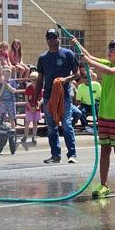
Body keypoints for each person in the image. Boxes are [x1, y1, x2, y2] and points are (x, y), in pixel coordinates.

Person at [73, 37, 115, 198]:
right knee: (105, 150)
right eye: (109, 49)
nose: (109, 52)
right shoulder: (107, 63)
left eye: (113, 50)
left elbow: (109, 72)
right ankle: (103, 185)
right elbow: (90, 58)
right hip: (104, 115)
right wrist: (77, 45)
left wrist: (89, 61)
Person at [35, 29, 79, 164]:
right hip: (48, 96)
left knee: (66, 125)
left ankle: (72, 154)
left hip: (64, 95)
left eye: (54, 38)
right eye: (49, 38)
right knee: (51, 126)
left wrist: (65, 80)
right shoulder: (43, 58)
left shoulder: (68, 54)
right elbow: (40, 78)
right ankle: (55, 155)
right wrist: (36, 96)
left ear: (58, 39)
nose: (51, 40)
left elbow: (77, 74)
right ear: (46, 40)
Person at [74, 68, 102, 134]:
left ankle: (100, 126)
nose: (88, 79)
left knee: (100, 109)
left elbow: (100, 97)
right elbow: (78, 100)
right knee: (80, 111)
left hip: (95, 103)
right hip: (85, 104)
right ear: (82, 79)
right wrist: (78, 106)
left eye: (89, 77)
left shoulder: (97, 85)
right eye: (86, 77)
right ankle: (86, 126)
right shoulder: (80, 87)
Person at [24, 71, 42, 142]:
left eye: (36, 80)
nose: (34, 81)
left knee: (35, 122)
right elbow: (26, 99)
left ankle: (34, 136)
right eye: (33, 80)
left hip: (36, 108)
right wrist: (30, 108)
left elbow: (42, 98)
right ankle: (25, 135)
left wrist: (39, 104)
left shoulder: (39, 88)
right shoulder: (28, 88)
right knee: (27, 122)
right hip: (29, 108)